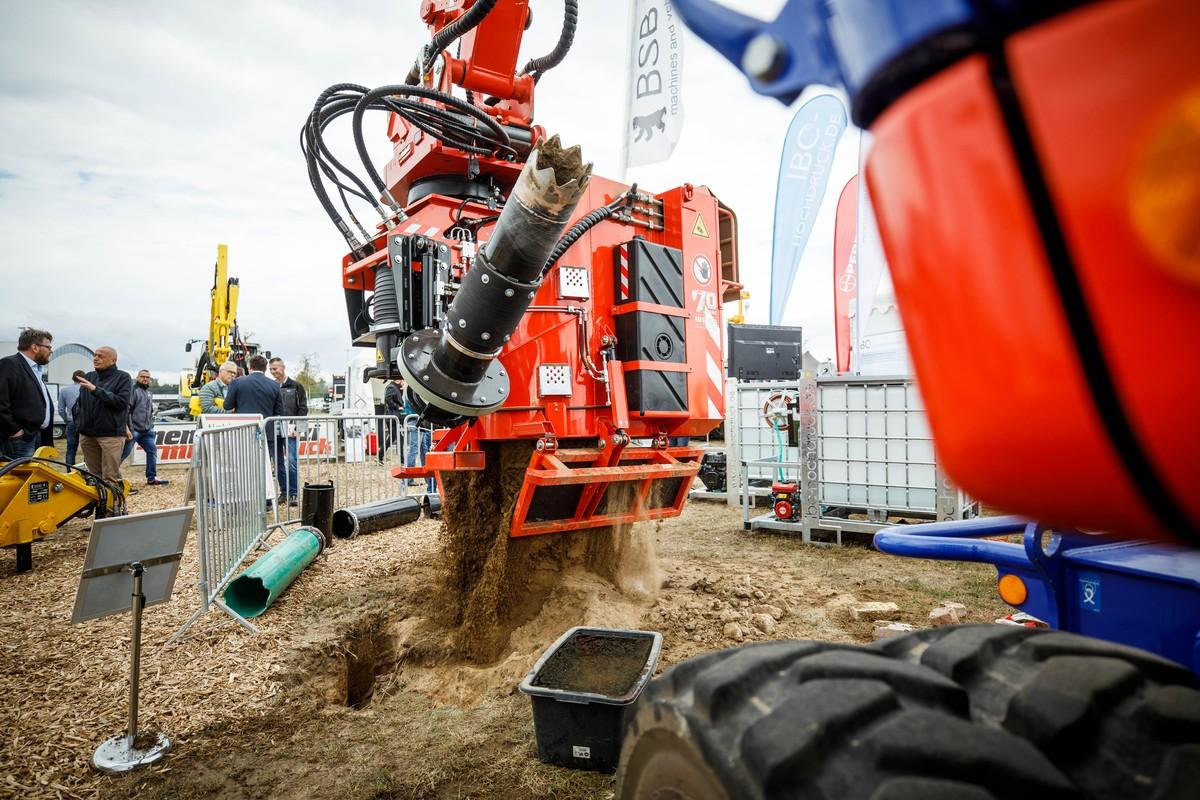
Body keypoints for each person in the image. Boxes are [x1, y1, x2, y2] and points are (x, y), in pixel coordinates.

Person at [224, 354, 285, 499]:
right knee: (265, 467)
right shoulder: (275, 385)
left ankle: (246, 497)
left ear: (250, 367)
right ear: (265, 369)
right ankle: (267, 499)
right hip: (266, 432)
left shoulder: (237, 382)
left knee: (243, 465)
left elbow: (227, 405)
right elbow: (279, 412)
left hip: (243, 431)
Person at [75, 346, 133, 487]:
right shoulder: (89, 376)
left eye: (101, 356)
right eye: (95, 355)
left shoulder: (123, 377)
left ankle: (112, 508)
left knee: (109, 478)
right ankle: (98, 506)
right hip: (88, 435)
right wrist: (80, 424)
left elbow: (121, 403)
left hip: (110, 436)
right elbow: (80, 404)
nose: (95, 358)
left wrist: (95, 390)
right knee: (94, 477)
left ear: (113, 360)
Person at [0, 329, 54, 461]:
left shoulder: (36, 369)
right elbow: (1, 401)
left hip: (37, 436)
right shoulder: (10, 364)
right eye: (48, 347)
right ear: (35, 347)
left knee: (34, 480)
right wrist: (14, 431)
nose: (51, 351)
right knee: (21, 480)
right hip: (20, 439)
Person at [268, 357, 308, 504]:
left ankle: (294, 493)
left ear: (283, 367)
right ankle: (284, 492)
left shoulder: (296, 386)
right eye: (271, 369)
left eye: (275, 368)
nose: (273, 372)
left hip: (291, 428)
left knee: (291, 460)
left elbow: (303, 408)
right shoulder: (270, 386)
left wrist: (298, 427)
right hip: (274, 428)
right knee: (277, 462)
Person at [121, 369, 169, 486]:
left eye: (147, 377)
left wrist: (150, 426)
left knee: (152, 451)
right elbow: (127, 411)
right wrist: (129, 428)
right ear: (137, 378)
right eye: (142, 376)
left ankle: (151, 478)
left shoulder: (149, 393)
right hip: (134, 430)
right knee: (122, 454)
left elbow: (150, 411)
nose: (145, 379)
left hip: (147, 431)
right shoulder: (134, 391)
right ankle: (108, 476)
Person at [57, 369, 84, 464]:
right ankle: (88, 472)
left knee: (71, 449)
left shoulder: (64, 390)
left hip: (71, 421)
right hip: (85, 421)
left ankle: (70, 472)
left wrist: (66, 419)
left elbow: (60, 409)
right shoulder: (87, 389)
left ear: (73, 378)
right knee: (88, 450)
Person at [379, 377, 405, 464]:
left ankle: (380, 456)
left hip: (393, 416)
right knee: (399, 437)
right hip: (394, 416)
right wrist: (398, 407)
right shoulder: (392, 387)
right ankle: (402, 459)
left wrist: (401, 390)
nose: (404, 382)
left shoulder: (394, 387)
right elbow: (388, 400)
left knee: (393, 437)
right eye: (403, 380)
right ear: (399, 380)